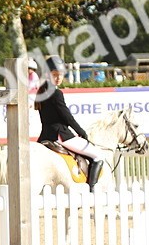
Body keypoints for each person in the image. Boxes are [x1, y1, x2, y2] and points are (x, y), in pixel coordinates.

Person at [36, 56, 106, 190]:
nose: (58, 78)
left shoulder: (41, 93)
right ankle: (91, 190)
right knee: (98, 155)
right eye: (54, 75)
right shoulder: (56, 93)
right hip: (60, 136)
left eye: (60, 75)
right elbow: (67, 117)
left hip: (45, 136)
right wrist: (81, 132)